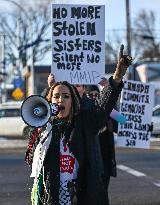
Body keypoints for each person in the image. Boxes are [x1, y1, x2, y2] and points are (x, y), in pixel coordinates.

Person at [25, 44, 132, 205]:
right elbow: (32, 159)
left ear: (73, 101)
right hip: (51, 196)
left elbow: (103, 106)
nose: (61, 99)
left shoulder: (85, 122)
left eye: (66, 96)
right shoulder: (44, 128)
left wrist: (116, 78)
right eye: (56, 96)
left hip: (81, 195)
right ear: (50, 100)